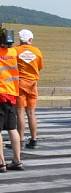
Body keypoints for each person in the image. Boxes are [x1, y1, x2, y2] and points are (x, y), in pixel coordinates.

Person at [0, 25, 24, 172]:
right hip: (12, 95)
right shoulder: (14, 51)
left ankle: (1, 163)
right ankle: (17, 160)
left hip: (0, 93)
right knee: (12, 128)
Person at [15, 29, 44, 149]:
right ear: (30, 40)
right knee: (31, 113)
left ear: (20, 40)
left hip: (20, 84)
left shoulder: (15, 51)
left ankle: (20, 141)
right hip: (33, 84)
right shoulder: (37, 51)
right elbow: (40, 66)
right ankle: (34, 139)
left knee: (20, 113)